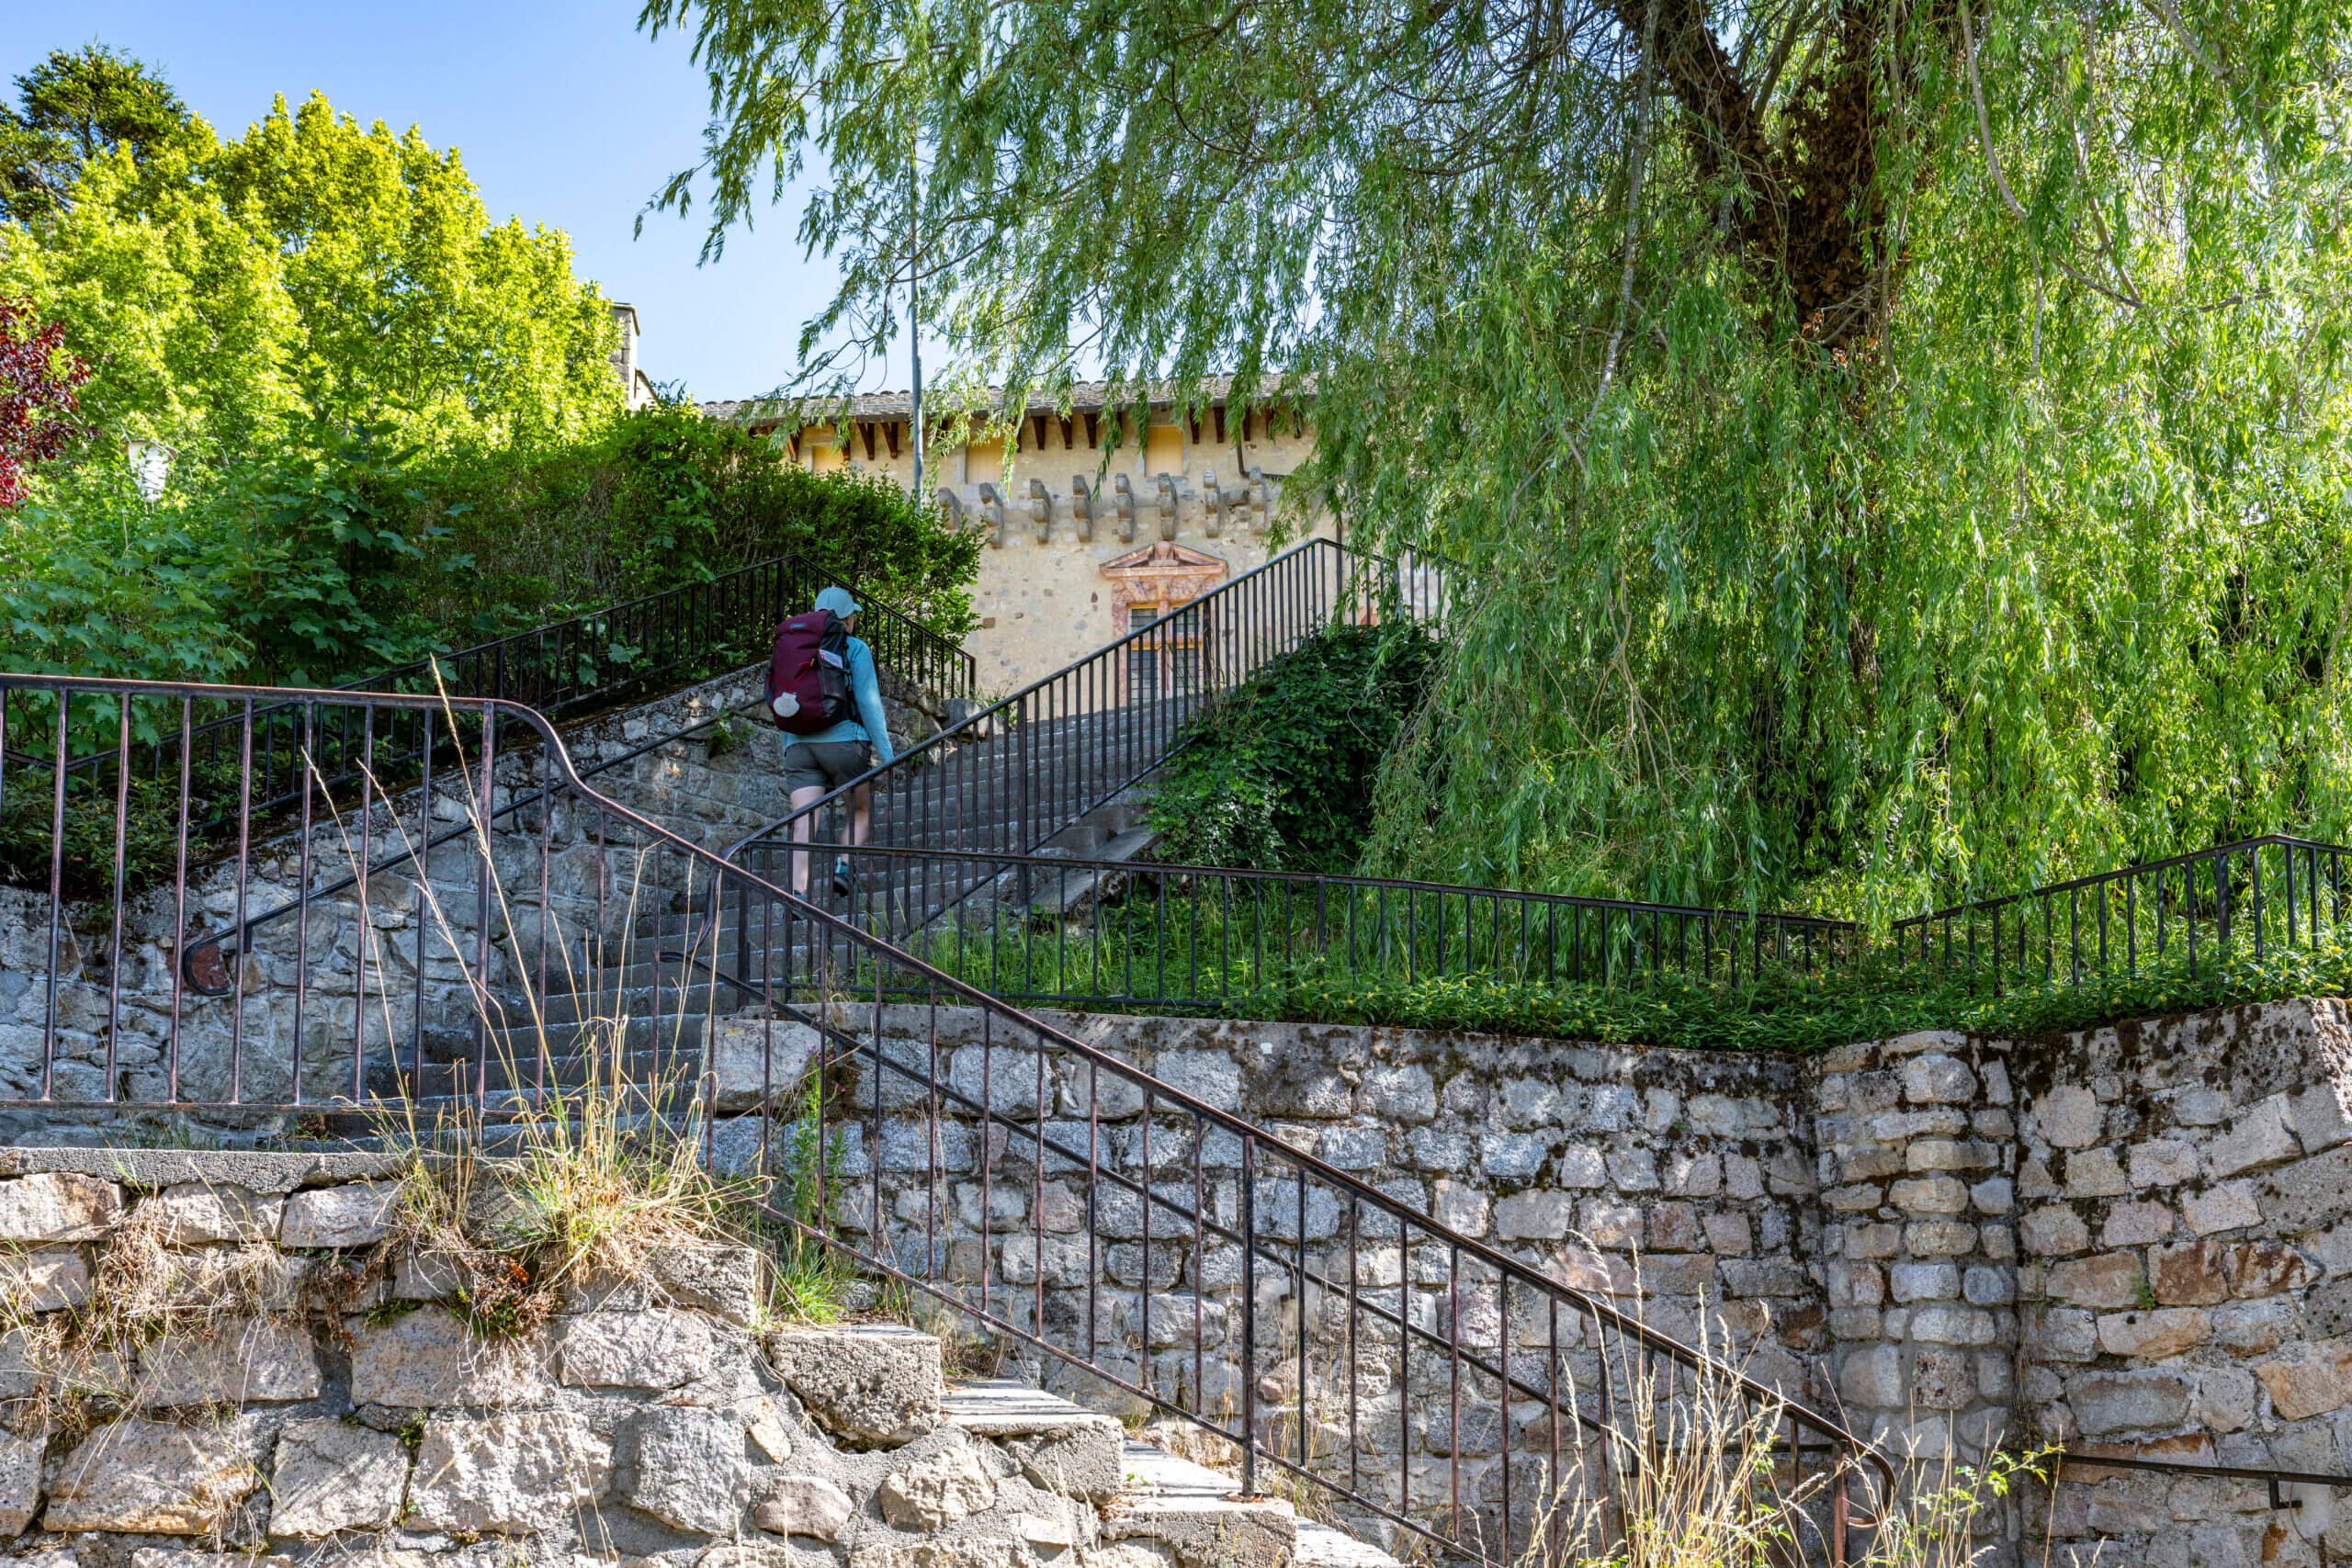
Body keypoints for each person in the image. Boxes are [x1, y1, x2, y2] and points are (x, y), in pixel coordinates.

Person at [780, 586, 896, 897]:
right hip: (846, 744)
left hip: (799, 746)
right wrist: (887, 755)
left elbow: (782, 701)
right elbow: (869, 703)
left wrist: (789, 745)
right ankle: (844, 866)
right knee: (859, 809)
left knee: (804, 821)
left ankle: (797, 892)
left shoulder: (793, 650)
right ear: (846, 619)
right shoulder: (855, 648)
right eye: (852, 615)